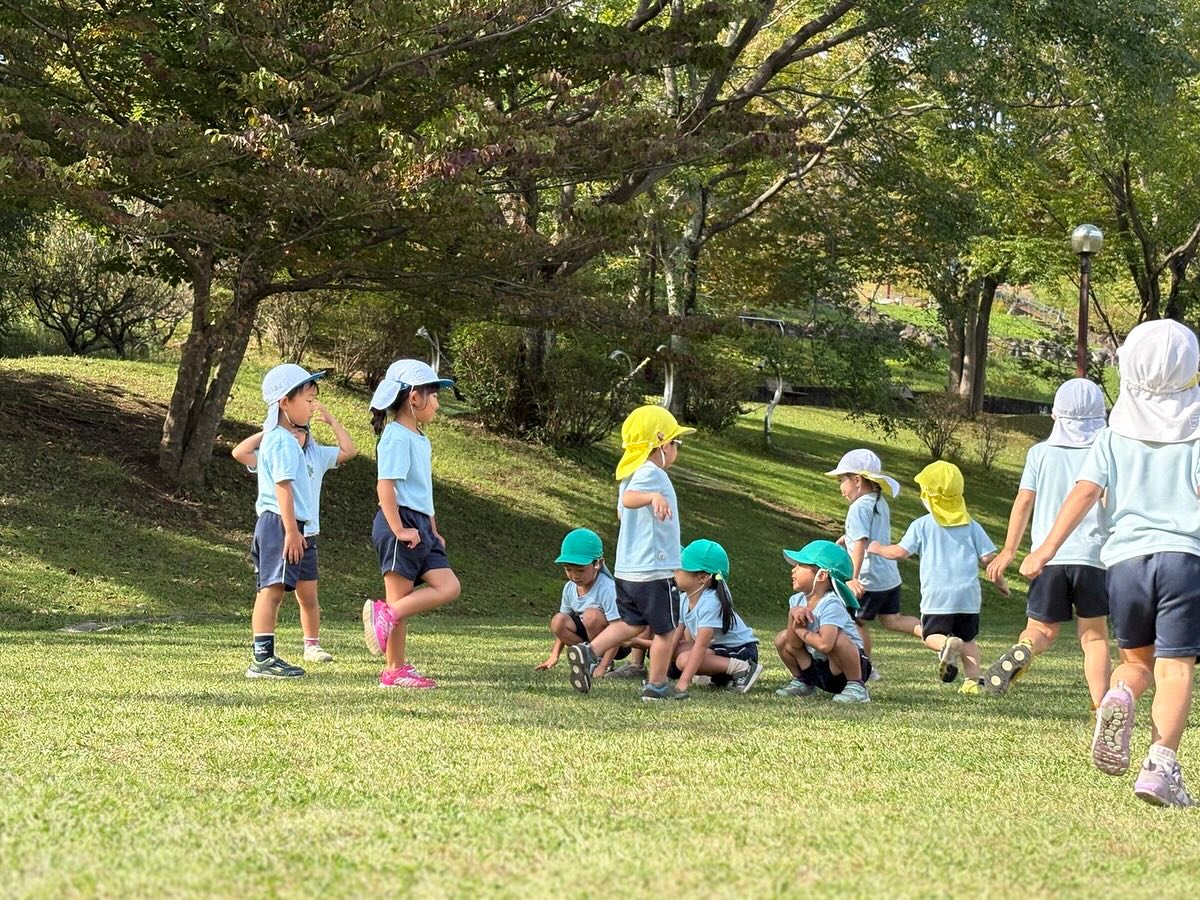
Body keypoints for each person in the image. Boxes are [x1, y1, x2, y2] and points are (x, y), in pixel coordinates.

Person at [1021, 320, 1200, 808]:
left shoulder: (1113, 435)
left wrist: (1043, 550)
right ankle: (1161, 767)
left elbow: (1084, 492)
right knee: (1176, 667)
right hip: (1184, 560)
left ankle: (1118, 697)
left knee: (1135, 663)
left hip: (1123, 565)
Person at [983, 379, 1110, 705]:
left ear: (1056, 415)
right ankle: (1101, 707)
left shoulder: (1039, 453)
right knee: (1093, 638)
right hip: (1093, 557)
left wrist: (1010, 550)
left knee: (1041, 629)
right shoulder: (1106, 449)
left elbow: (1023, 502)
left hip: (1046, 557)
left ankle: (1024, 649)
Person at [565, 405, 696, 701]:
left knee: (631, 622)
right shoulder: (652, 473)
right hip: (654, 570)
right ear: (662, 444)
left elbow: (623, 510)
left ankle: (590, 652)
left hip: (628, 571)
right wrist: (653, 496)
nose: (676, 450)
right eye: (676, 443)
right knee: (666, 630)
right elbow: (631, 499)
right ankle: (657, 686)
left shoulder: (630, 473)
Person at [232, 396, 356, 664]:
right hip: (284, 527)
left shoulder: (314, 454)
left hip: (305, 532)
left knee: (305, 595)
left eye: (302, 431)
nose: (297, 434)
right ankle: (263, 658)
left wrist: (333, 422)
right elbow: (240, 453)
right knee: (271, 591)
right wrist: (269, 430)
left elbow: (349, 451)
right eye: (293, 430)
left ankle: (309, 645)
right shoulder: (277, 446)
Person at [361, 360, 461, 689]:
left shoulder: (419, 438)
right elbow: (385, 486)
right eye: (434, 396)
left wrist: (432, 527)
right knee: (398, 600)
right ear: (414, 398)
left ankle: (387, 616)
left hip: (420, 524)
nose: (437, 403)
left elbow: (422, 490)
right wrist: (400, 528)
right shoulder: (396, 437)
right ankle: (394, 670)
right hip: (399, 522)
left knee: (449, 586)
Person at [868, 461, 1008, 693]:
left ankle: (945, 646)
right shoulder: (972, 525)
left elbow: (900, 552)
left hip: (938, 596)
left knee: (929, 634)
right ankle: (972, 682)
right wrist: (1000, 582)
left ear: (928, 497)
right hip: (968, 598)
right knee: (969, 640)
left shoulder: (922, 525)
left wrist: (877, 548)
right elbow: (989, 559)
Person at [245, 364, 325, 679]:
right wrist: (292, 531)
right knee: (272, 590)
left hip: (284, 523)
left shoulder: (286, 440)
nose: (312, 407)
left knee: (272, 589)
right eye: (308, 400)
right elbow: (283, 487)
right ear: (284, 403)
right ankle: (262, 661)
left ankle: (264, 658)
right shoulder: (280, 440)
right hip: (280, 523)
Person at [825, 449, 920, 675]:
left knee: (855, 623)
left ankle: (864, 667)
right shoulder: (879, 500)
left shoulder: (858, 507)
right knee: (893, 620)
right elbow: (865, 534)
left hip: (867, 578)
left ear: (857, 480)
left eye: (842, 481)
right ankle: (940, 638)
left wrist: (853, 578)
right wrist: (845, 538)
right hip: (888, 577)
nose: (841, 489)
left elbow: (860, 541)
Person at [774, 540, 871, 703]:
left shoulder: (831, 603)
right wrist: (793, 615)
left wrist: (801, 631)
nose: (793, 570)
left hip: (842, 672)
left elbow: (825, 645)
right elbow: (794, 644)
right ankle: (804, 681)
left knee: (838, 640)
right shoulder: (796, 601)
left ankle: (857, 687)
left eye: (800, 565)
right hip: (819, 669)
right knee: (782, 638)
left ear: (822, 575)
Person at [670, 539, 763, 697]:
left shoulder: (711, 602)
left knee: (683, 660)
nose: (674, 571)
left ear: (703, 577)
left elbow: (700, 646)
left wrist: (683, 682)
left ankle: (744, 668)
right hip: (718, 651)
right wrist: (658, 677)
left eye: (681, 568)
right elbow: (674, 638)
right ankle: (719, 676)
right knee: (675, 650)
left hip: (741, 651)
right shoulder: (685, 598)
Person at [534, 528, 629, 675]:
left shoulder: (607, 588)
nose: (574, 576)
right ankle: (587, 657)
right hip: (588, 637)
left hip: (615, 642)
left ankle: (603, 661)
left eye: (580, 570)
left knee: (591, 615)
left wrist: (603, 667)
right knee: (558, 620)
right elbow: (562, 624)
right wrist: (554, 656)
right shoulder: (569, 588)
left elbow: (617, 628)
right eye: (568, 569)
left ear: (598, 563)